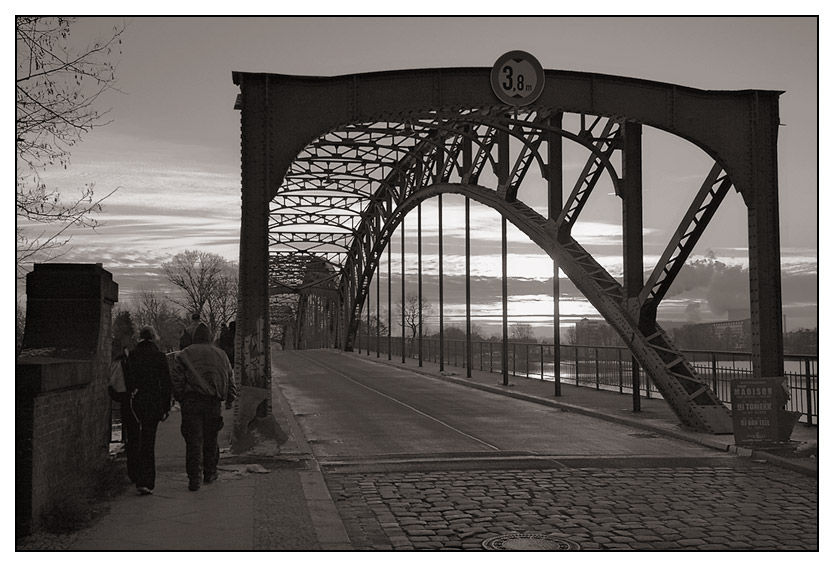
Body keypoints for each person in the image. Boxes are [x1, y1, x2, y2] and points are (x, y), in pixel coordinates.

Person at [172, 323, 238, 491]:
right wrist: (230, 399)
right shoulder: (221, 355)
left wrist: (181, 398)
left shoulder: (184, 354)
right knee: (211, 439)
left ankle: (194, 478)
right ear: (209, 337)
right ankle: (210, 472)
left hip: (191, 402)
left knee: (193, 441)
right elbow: (230, 378)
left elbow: (177, 379)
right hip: (213, 403)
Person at [125, 326, 173, 495]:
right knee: (148, 440)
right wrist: (166, 407)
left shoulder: (132, 355)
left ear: (140, 337)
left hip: (135, 402)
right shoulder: (159, 357)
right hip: (153, 403)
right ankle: (146, 481)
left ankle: (136, 477)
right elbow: (166, 383)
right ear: (154, 337)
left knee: (135, 439)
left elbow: (129, 381)